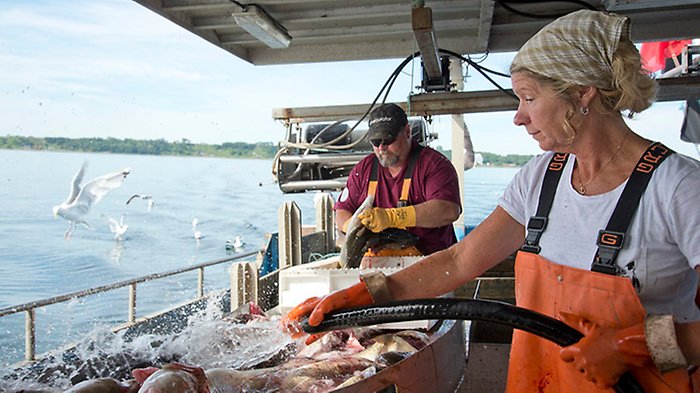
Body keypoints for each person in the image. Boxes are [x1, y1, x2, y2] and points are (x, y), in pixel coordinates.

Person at [285, 10, 700, 392]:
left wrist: (633, 345)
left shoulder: (677, 188)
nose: (518, 116)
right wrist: (366, 294)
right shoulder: (540, 179)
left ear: (582, 92)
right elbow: (459, 261)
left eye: (529, 97)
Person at [334, 103, 462, 257]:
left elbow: (448, 210)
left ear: (407, 132)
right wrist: (351, 226)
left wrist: (392, 217)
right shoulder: (363, 169)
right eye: (375, 142)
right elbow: (342, 211)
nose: (381, 148)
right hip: (378, 265)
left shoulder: (434, 165)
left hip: (431, 264)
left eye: (387, 140)